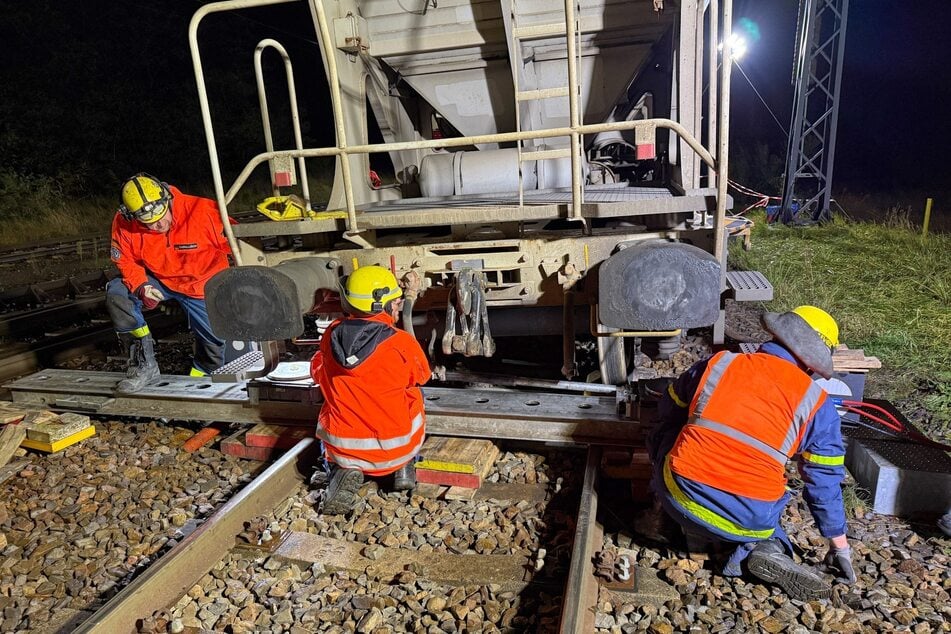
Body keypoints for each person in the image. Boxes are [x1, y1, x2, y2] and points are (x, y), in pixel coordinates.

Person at [646, 305, 856, 600]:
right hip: (748, 522)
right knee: (770, 502)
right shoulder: (818, 406)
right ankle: (768, 548)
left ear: (773, 335)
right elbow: (823, 483)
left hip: (679, 495)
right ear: (813, 365)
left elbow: (666, 408)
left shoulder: (719, 364)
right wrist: (839, 546)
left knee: (668, 429)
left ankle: (669, 516)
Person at [309, 265, 431, 515]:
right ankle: (406, 466)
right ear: (383, 307)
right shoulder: (400, 343)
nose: (398, 306)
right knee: (413, 394)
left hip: (344, 452)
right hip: (396, 451)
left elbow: (316, 370)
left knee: (333, 394)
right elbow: (422, 376)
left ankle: (336, 472)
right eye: (396, 302)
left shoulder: (331, 334)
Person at [106, 173, 233, 392]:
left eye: (162, 216)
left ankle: (204, 381)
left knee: (218, 347)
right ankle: (144, 364)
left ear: (167, 199)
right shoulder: (124, 223)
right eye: (150, 223)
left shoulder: (203, 212)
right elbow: (125, 259)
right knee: (118, 293)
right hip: (161, 280)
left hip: (205, 285)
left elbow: (241, 245)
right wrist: (141, 285)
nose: (159, 224)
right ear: (132, 216)